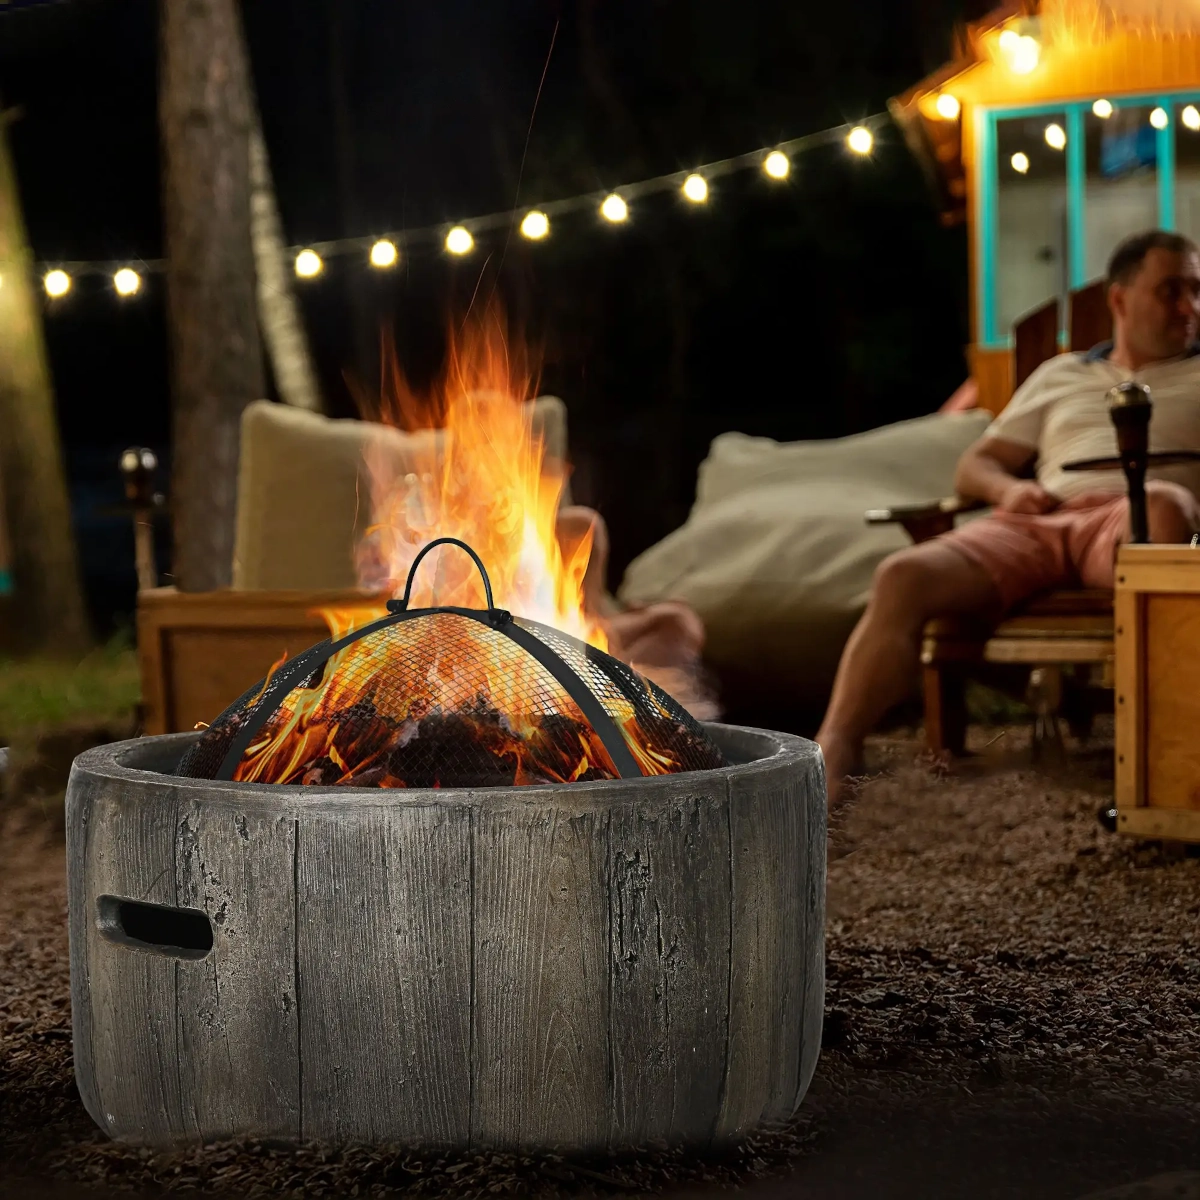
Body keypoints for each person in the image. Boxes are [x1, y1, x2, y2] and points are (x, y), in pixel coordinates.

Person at [816, 229, 1200, 806]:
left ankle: (1170, 755)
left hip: (1134, 520)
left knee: (1168, 509)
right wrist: (1007, 491)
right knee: (903, 574)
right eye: (1171, 290)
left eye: (1196, 291)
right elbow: (977, 465)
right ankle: (832, 753)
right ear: (1118, 300)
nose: (1189, 307)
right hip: (1039, 521)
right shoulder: (1059, 374)